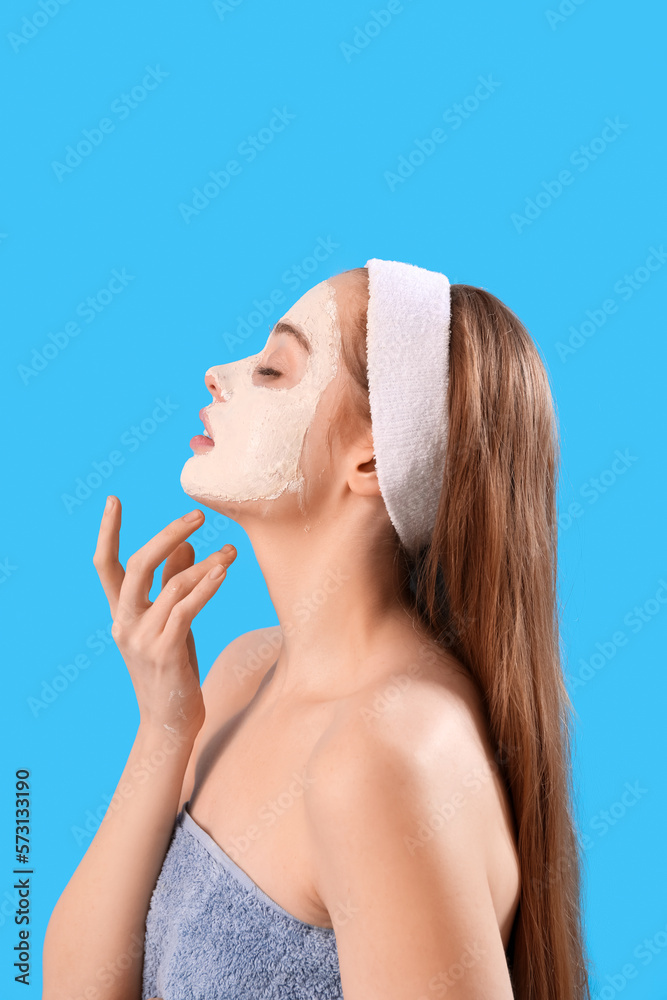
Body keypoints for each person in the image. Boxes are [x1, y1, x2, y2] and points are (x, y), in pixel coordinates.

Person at [42, 261, 592, 1000]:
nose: (218, 374)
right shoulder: (243, 673)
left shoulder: (387, 757)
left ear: (369, 457)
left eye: (274, 369)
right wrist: (162, 729)